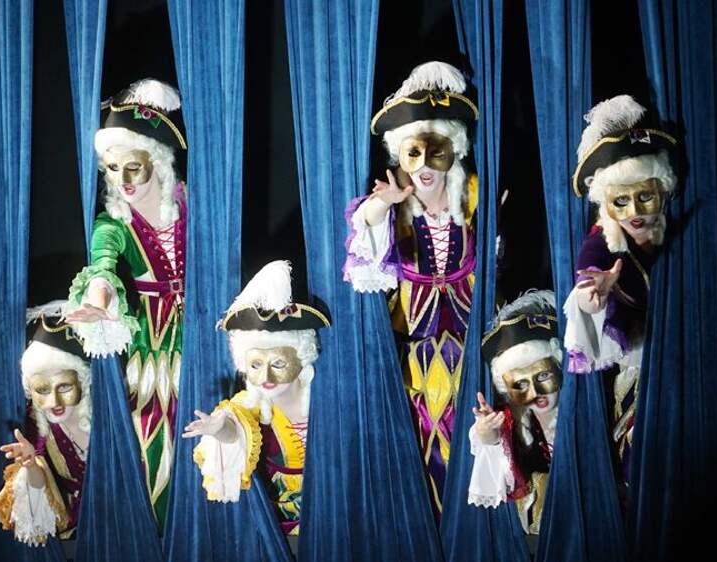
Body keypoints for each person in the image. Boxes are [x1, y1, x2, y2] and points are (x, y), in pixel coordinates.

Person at [342, 61, 479, 511]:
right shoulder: (392, 200)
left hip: (468, 336)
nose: (423, 165)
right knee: (421, 424)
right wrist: (384, 204)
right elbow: (364, 224)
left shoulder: (473, 194)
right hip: (414, 340)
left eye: (435, 152)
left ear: (454, 151)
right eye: (413, 153)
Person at [64, 78, 187, 525]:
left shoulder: (192, 204)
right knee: (151, 425)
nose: (122, 179)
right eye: (113, 168)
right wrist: (99, 300)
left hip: (199, 328)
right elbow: (102, 265)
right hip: (150, 339)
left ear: (157, 159)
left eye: (132, 166)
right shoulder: (113, 222)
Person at [563, 95, 677, 482]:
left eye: (645, 197)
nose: (635, 213)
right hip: (639, 365)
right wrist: (594, 293)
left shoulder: (677, 226)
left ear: (662, 190)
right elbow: (587, 276)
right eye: (621, 201)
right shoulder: (603, 240)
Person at [183, 261, 330, 535]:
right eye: (255, 365)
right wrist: (220, 430)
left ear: (301, 359)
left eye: (278, 363)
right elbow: (235, 427)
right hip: (280, 529)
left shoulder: (329, 397)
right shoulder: (248, 404)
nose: (266, 376)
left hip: (332, 518)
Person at [0, 304, 91, 545]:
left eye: (64, 387)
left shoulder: (110, 414)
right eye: (42, 390)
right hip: (77, 530)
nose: (54, 402)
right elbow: (41, 488)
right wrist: (30, 466)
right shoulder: (37, 428)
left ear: (82, 380)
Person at [468, 290, 561, 535]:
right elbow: (497, 458)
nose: (535, 392)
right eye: (520, 384)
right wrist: (488, 435)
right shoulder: (513, 422)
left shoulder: (583, 410)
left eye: (543, 375)